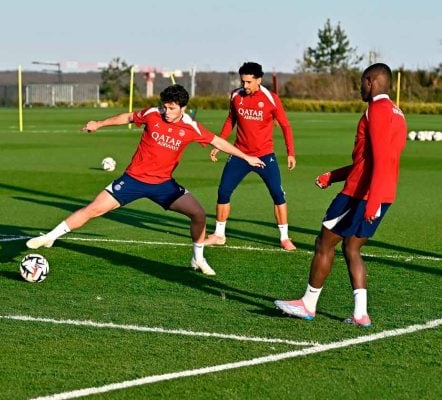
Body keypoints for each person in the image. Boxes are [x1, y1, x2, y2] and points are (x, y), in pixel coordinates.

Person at [26, 84, 265, 276]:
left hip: (163, 185)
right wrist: (99, 123)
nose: (166, 112)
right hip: (133, 180)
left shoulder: (191, 127)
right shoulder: (152, 114)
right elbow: (127, 117)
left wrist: (246, 157)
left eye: (172, 108)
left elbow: (217, 141)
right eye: (165, 107)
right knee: (93, 210)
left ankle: (198, 258)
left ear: (183, 108)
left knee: (198, 215)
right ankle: (50, 237)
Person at [274, 63, 407, 327]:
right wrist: (333, 176)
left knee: (324, 243)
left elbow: (380, 159)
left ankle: (308, 304)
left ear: (371, 81)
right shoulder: (397, 112)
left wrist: (372, 200)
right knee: (352, 247)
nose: (359, 88)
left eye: (361, 82)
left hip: (360, 195)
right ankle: (360, 314)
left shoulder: (376, 110)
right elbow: (370, 161)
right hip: (382, 193)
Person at [204, 62, 297, 251]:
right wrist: (219, 143)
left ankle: (284, 238)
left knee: (277, 194)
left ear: (258, 80)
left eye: (248, 82)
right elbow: (230, 120)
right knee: (223, 191)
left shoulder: (271, 99)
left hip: (265, 156)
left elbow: (285, 126)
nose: (245, 85)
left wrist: (291, 153)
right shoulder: (235, 96)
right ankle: (219, 235)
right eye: (243, 81)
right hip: (240, 155)